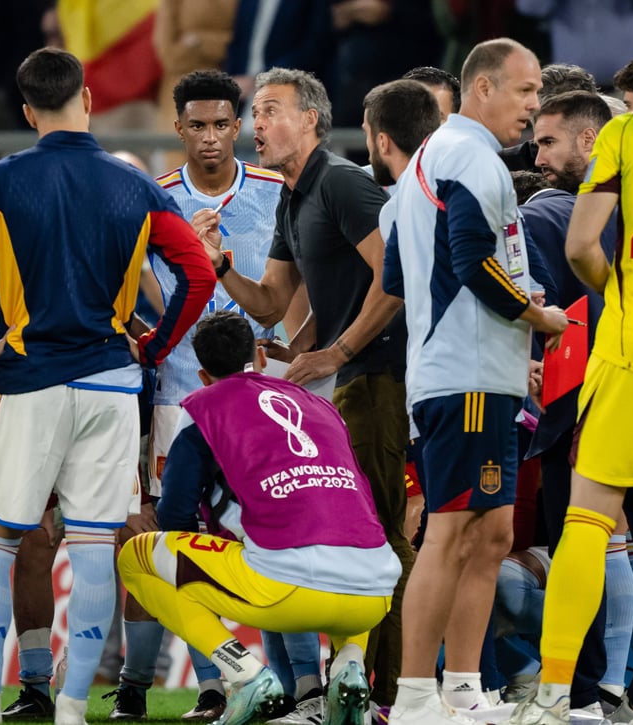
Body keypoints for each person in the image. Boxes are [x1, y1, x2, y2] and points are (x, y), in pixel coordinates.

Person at [0, 46, 214, 725]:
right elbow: (197, 273)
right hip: (112, 387)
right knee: (92, 549)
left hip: (28, 383)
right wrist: (157, 343)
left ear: (28, 111)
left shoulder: (3, 181)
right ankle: (76, 705)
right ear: (86, 100)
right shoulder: (132, 184)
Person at [194, 65, 411, 706]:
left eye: (268, 111)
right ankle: (361, 685)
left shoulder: (342, 183)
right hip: (352, 379)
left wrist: (336, 349)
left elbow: (395, 278)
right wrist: (221, 266)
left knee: (382, 537)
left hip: (383, 376)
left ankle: (395, 690)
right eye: (254, 114)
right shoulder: (295, 196)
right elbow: (268, 305)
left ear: (310, 118)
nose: (255, 125)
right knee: (365, 535)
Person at [379, 38, 569, 725]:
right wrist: (534, 314)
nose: (534, 106)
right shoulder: (470, 156)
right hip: (466, 374)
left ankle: (462, 687)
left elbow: (400, 274)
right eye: (526, 91)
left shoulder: (433, 161)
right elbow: (468, 258)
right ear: (482, 89)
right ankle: (413, 695)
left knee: (489, 534)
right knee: (451, 528)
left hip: (469, 369)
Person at [509, 35, 633, 725]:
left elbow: (582, 243)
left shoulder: (630, 130)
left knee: (585, 515)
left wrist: (618, 294)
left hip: (631, 343)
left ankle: (554, 694)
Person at [110, 68, 293, 724]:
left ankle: (288, 681)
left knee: (269, 539)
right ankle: (201, 681)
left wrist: (294, 347)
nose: (211, 138)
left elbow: (304, 286)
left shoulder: (277, 191)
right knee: (177, 537)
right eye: (198, 125)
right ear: (179, 126)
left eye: (222, 125)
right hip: (179, 399)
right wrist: (145, 337)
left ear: (237, 126)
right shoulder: (154, 199)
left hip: (265, 399)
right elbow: (128, 290)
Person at [118, 310, 402, 725]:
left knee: (137, 556)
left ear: (201, 375)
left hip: (284, 589)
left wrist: (205, 551)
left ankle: (244, 674)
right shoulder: (321, 405)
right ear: (262, 358)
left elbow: (175, 513)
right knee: (344, 538)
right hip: (373, 595)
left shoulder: (202, 406)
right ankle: (350, 665)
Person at [517, 90, 619, 721]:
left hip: (574, 400)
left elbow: (541, 304)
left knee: (575, 539)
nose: (537, 154)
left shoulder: (543, 213)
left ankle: (576, 689)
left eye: (548, 141)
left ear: (590, 140)